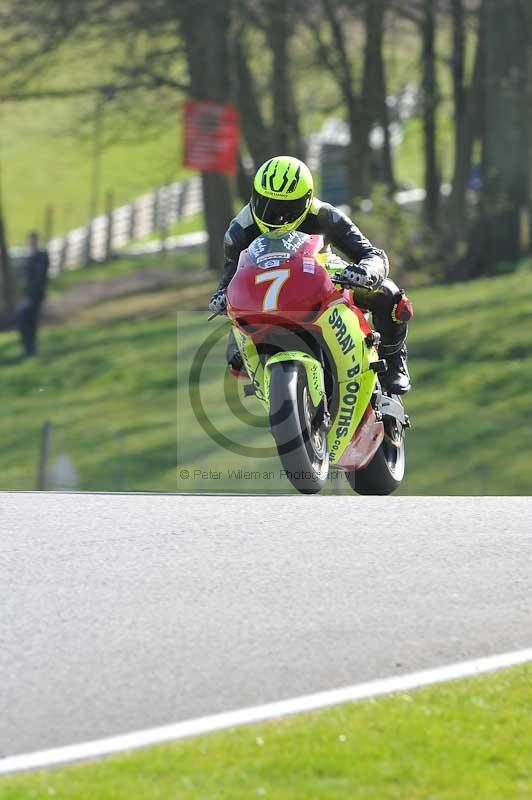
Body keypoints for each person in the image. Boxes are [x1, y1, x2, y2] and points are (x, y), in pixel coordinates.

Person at [209, 155, 413, 394]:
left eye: (286, 209)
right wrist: (222, 296)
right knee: (235, 357)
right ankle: (272, 387)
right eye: (266, 203)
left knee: (388, 295)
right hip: (264, 292)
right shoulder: (239, 230)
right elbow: (231, 273)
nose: (275, 216)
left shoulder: (325, 215)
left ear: (306, 200)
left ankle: (393, 360)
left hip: (321, 275)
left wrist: (367, 272)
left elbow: (371, 254)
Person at [15, 231, 49, 357]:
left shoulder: (41, 256)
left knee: (28, 320)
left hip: (34, 295)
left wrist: (31, 296)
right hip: (28, 295)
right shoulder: (30, 256)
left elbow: (39, 279)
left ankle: (31, 348)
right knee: (24, 320)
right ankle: (28, 348)